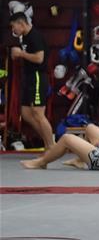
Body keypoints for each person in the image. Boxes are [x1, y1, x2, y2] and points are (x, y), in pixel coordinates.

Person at [8, 12, 55, 150]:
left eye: (14, 26)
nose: (13, 30)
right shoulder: (25, 37)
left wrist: (21, 53)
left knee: (38, 113)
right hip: (28, 77)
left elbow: (39, 58)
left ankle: (52, 146)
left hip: (37, 76)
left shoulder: (35, 36)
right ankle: (47, 141)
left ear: (21, 23)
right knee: (26, 114)